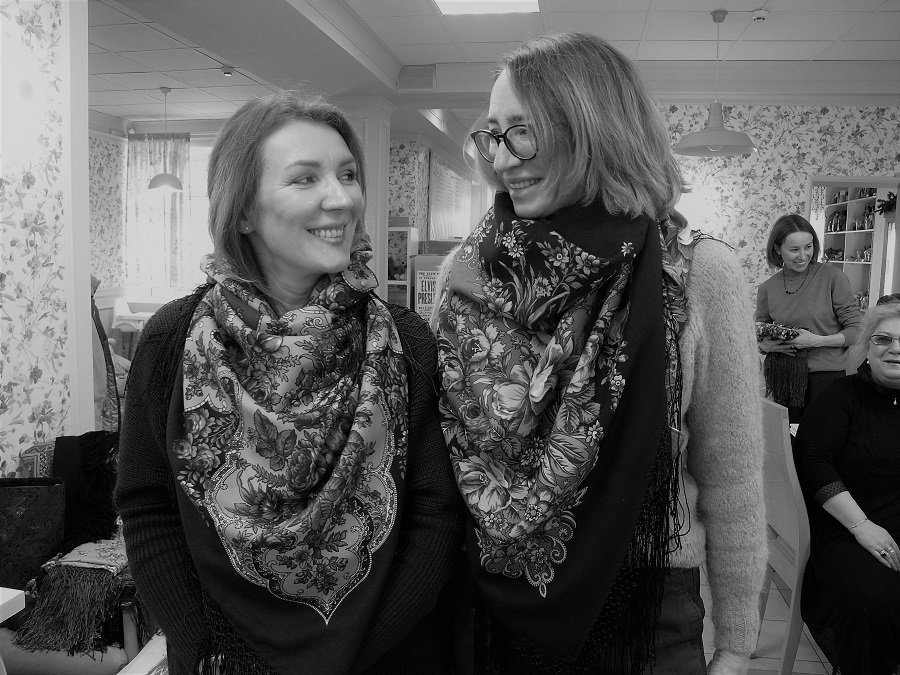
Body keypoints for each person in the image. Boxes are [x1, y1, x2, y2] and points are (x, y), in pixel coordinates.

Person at [431, 32, 766, 675]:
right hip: (489, 600)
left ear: (593, 129)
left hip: (644, 608)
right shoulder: (464, 278)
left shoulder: (695, 275)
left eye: (523, 131)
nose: (501, 157)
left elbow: (730, 477)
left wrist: (735, 645)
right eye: (492, 134)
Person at [114, 91, 463, 675]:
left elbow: (435, 515)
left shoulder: (405, 343)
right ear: (242, 212)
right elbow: (148, 505)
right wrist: (201, 644)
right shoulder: (173, 339)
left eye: (347, 174)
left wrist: (355, 654)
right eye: (305, 179)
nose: (342, 198)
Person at [793, 297, 900, 674]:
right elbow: (813, 461)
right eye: (884, 339)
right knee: (873, 598)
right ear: (867, 347)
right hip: (849, 532)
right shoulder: (841, 396)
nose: (896, 349)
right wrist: (862, 526)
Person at [755, 214, 862, 422]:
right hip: (783, 378)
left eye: (808, 247)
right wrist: (764, 346)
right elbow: (758, 331)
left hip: (826, 378)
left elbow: (856, 330)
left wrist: (816, 341)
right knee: (787, 437)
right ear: (777, 249)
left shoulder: (832, 278)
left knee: (821, 438)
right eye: (794, 249)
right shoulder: (768, 288)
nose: (803, 256)